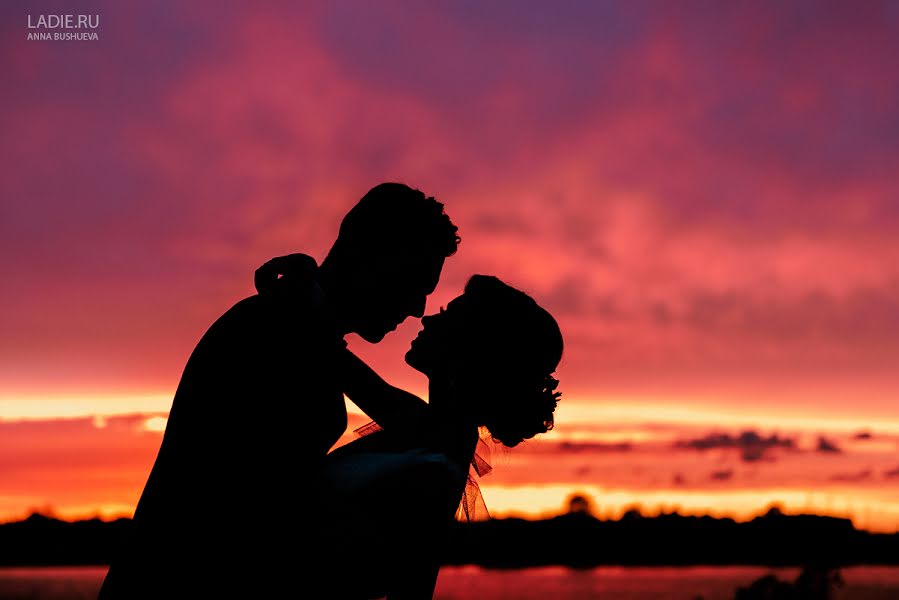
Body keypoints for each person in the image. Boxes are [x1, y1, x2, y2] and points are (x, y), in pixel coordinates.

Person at [98, 183, 460, 599]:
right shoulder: (270, 326)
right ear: (367, 254)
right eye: (414, 283)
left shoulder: (298, 327)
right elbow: (237, 509)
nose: (417, 308)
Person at [313, 275, 563, 599]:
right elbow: (331, 354)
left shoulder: (439, 455)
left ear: (470, 350)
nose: (427, 317)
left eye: (446, 315)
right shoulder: (426, 422)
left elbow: (412, 583)